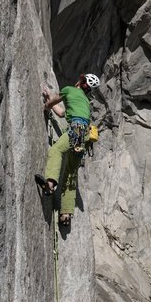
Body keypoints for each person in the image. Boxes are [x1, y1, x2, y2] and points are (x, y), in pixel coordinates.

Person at [35, 73, 100, 226]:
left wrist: (46, 104)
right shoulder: (85, 101)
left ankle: (49, 185)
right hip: (84, 137)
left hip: (75, 130)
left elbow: (52, 105)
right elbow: (62, 113)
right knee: (71, 174)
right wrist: (50, 98)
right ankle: (66, 214)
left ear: (80, 81)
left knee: (56, 150)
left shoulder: (69, 90)